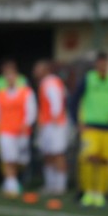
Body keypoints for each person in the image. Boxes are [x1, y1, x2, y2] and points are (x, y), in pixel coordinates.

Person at [70, 51, 108, 207]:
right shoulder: (88, 80)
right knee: (88, 159)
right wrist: (76, 121)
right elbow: (74, 100)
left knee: (105, 161)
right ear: (96, 64)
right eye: (100, 63)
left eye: (105, 63)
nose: (103, 66)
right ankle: (87, 192)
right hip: (90, 127)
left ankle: (101, 194)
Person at [0, 62, 37, 198]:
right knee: (8, 158)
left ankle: (13, 180)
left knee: (21, 160)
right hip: (5, 131)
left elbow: (31, 110)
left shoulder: (26, 92)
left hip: (21, 132)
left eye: (12, 75)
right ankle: (11, 185)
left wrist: (27, 124)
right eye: (8, 75)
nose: (10, 78)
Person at [33, 60, 69, 196]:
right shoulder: (48, 82)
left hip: (54, 124)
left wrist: (54, 117)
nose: (35, 72)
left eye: (37, 68)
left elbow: (56, 101)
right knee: (48, 154)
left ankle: (60, 185)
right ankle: (50, 184)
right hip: (49, 123)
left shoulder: (50, 82)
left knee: (57, 154)